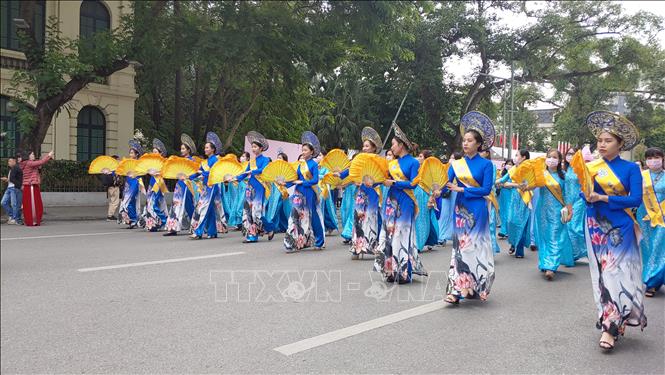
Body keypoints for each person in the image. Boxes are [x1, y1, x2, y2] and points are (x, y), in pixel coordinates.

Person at [582, 111, 646, 351]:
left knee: (614, 273)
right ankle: (611, 316)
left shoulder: (630, 169)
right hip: (594, 225)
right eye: (600, 141)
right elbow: (585, 193)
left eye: (608, 141)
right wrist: (588, 196)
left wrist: (603, 197)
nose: (602, 145)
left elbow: (635, 199)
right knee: (600, 274)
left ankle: (609, 327)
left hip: (621, 227)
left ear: (620, 144)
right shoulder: (591, 167)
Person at [440, 111, 496, 304]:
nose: (465, 143)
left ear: (479, 144)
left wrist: (462, 190)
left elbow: (486, 189)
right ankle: (457, 289)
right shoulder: (457, 164)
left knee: (475, 247)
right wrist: (436, 189)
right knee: (459, 248)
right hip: (460, 210)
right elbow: (444, 183)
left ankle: (476, 284)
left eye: (470, 141)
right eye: (464, 140)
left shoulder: (486, 165)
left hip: (477, 209)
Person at [373, 124, 426, 284]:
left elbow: (413, 184)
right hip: (391, 201)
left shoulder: (413, 163)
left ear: (401, 145)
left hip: (405, 201)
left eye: (393, 144)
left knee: (401, 236)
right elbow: (383, 178)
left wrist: (394, 183)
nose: (391, 147)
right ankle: (390, 271)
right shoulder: (391, 164)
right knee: (389, 235)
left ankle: (403, 273)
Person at [534, 149, 575, 280]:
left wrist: (570, 211)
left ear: (559, 160)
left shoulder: (564, 175)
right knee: (544, 237)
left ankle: (551, 266)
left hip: (557, 212)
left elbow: (568, 195)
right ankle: (544, 262)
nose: (551, 159)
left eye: (554, 157)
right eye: (549, 157)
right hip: (542, 210)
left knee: (554, 237)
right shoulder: (541, 174)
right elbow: (530, 185)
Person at [283, 131, 325, 252]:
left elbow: (315, 180)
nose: (303, 152)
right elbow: (295, 179)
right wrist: (285, 184)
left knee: (312, 216)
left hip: (309, 193)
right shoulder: (300, 165)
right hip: (298, 193)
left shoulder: (313, 165)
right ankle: (292, 242)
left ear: (311, 152)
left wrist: (303, 183)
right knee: (294, 216)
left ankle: (319, 241)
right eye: (302, 149)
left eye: (305, 150)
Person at [233, 131, 275, 243]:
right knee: (247, 211)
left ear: (261, 148)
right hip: (249, 187)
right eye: (252, 146)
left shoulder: (265, 160)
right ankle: (252, 235)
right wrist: (235, 178)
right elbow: (245, 173)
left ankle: (269, 227)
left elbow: (264, 170)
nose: (253, 149)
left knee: (256, 213)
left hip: (259, 188)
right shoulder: (251, 162)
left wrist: (254, 171)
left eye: (255, 147)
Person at [348, 127, 383, 259]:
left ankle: (371, 247)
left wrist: (374, 182)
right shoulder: (360, 159)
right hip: (361, 192)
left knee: (370, 219)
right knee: (358, 218)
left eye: (367, 146)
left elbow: (382, 177)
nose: (364, 148)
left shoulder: (378, 160)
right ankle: (356, 248)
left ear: (374, 148)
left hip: (373, 192)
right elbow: (351, 169)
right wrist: (340, 174)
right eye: (364, 146)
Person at [636, 147, 665, 298]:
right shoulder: (641, 176)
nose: (653, 161)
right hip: (644, 216)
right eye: (650, 158)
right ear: (646, 160)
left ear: (662, 159)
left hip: (662, 217)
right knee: (647, 248)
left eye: (657, 157)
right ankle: (654, 278)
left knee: (659, 249)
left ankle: (651, 283)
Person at [190, 132, 227, 239]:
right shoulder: (204, 161)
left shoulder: (215, 160)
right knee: (210, 209)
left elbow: (214, 173)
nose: (205, 149)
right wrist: (189, 176)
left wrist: (203, 173)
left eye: (207, 147)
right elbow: (198, 172)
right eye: (205, 147)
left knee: (203, 208)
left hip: (212, 186)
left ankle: (198, 232)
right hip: (206, 186)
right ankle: (212, 231)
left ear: (213, 149)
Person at [497, 149, 533, 258]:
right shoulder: (512, 169)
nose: (515, 157)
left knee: (521, 223)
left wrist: (512, 184)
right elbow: (502, 181)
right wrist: (493, 182)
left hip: (524, 199)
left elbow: (527, 185)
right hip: (513, 199)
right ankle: (513, 243)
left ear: (524, 158)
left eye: (517, 155)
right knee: (511, 222)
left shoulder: (529, 170)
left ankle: (519, 250)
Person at [164, 134, 198, 236]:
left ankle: (196, 225)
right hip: (179, 185)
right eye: (181, 149)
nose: (181, 150)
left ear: (188, 150)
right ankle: (172, 227)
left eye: (183, 149)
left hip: (187, 185)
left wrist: (188, 177)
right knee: (176, 205)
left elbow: (196, 173)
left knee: (189, 205)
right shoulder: (179, 161)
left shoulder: (192, 161)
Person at [563, 147, 587, 260]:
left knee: (574, 227)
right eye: (568, 153)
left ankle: (588, 250)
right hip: (567, 201)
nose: (570, 156)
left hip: (579, 201)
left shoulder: (582, 169)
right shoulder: (564, 169)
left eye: (573, 154)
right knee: (568, 226)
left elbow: (586, 185)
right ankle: (575, 252)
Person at [20, 149, 54, 226]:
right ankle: (33, 221)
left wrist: (47, 158)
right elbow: (41, 162)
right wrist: (49, 155)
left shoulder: (26, 163)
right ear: (28, 156)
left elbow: (39, 164)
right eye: (32, 154)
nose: (34, 155)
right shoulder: (29, 163)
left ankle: (31, 220)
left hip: (30, 186)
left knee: (29, 204)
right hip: (31, 186)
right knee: (34, 204)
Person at [118, 140, 144, 229]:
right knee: (129, 202)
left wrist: (135, 174)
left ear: (136, 154)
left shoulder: (139, 163)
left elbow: (142, 173)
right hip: (128, 183)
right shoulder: (127, 163)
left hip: (135, 183)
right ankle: (132, 219)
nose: (130, 155)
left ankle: (133, 219)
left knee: (129, 201)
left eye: (132, 153)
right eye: (130, 153)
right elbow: (121, 170)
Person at [481, 149, 501, 254]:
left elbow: (491, 181)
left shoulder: (491, 166)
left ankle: (490, 250)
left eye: (482, 151)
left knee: (490, 223)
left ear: (487, 153)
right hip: (477, 197)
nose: (479, 153)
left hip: (488, 197)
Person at [265, 152, 291, 233]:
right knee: (274, 208)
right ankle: (279, 226)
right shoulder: (274, 168)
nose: (278, 159)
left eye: (280, 158)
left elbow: (290, 180)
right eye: (277, 157)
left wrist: (284, 182)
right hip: (274, 191)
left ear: (284, 160)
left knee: (276, 208)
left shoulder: (287, 169)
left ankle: (271, 226)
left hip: (282, 191)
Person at [1, 155, 23, 224]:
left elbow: (14, 179)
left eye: (10, 161)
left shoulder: (16, 168)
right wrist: (7, 179)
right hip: (9, 188)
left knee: (15, 204)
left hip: (14, 188)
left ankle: (15, 219)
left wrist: (8, 179)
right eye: (8, 161)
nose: (8, 162)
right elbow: (12, 179)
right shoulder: (12, 169)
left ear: (14, 161)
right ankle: (12, 216)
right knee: (3, 202)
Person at [99, 155, 121, 221]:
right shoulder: (113, 170)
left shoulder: (108, 169)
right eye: (118, 159)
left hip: (110, 187)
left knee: (112, 201)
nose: (119, 161)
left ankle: (110, 215)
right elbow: (116, 179)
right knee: (115, 202)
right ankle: (110, 216)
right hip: (114, 187)